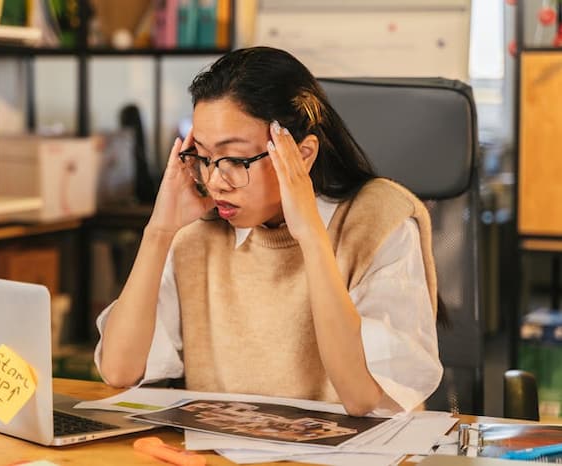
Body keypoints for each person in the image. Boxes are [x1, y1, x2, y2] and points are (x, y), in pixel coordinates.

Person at [95, 46, 442, 416]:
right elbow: (119, 370)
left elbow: (360, 397)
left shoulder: (380, 220)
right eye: (205, 158)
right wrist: (159, 231)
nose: (215, 181)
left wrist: (309, 234)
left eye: (235, 159)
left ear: (303, 155)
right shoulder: (197, 235)